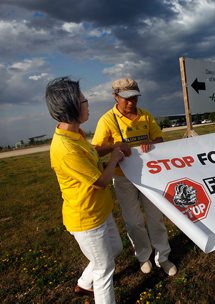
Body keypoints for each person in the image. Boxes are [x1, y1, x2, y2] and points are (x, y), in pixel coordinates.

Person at [46, 77, 124, 303]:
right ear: (71, 106)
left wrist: (112, 147)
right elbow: (99, 182)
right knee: (105, 268)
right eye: (84, 100)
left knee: (116, 248)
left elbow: (91, 154)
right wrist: (115, 159)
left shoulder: (75, 134)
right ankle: (95, 287)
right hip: (86, 218)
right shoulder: (66, 148)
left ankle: (83, 283)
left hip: (100, 210)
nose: (88, 104)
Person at [92, 78, 177, 276]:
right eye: (127, 99)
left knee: (156, 218)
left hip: (150, 175)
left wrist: (150, 142)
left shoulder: (145, 116)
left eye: (135, 98)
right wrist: (115, 147)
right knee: (133, 221)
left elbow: (159, 140)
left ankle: (163, 256)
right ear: (116, 97)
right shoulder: (107, 120)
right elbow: (96, 150)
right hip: (123, 178)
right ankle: (143, 256)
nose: (132, 103)